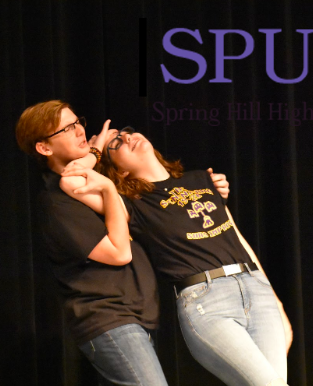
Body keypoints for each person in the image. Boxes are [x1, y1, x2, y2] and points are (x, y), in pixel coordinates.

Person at [15, 100, 230, 385]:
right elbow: (119, 253)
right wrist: (103, 179)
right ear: (44, 148)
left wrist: (208, 191)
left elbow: (162, 211)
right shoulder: (57, 202)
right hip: (107, 317)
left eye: (78, 121)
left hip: (141, 313)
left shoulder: (102, 179)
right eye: (66, 128)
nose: (79, 130)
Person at [61, 126, 293, 386]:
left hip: (254, 287)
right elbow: (70, 181)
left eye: (127, 132)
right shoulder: (132, 202)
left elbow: (238, 239)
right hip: (207, 301)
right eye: (116, 144)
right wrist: (97, 154)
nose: (128, 137)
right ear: (120, 170)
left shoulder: (201, 179)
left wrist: (277, 303)